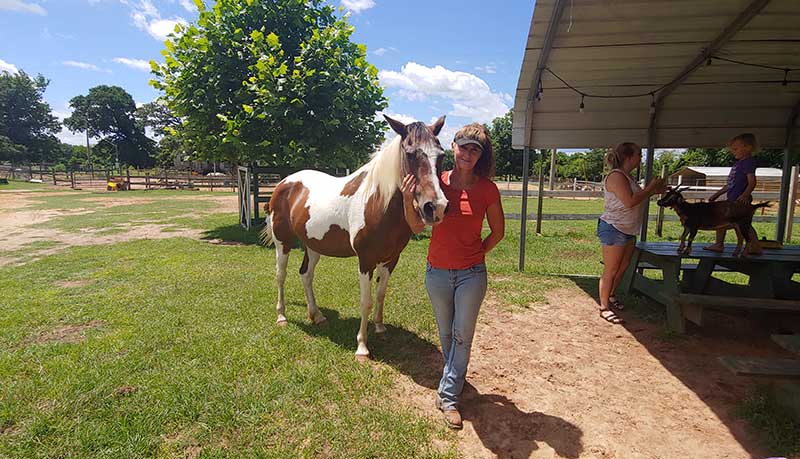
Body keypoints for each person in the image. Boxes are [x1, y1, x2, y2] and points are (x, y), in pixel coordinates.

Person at [401, 123, 504, 430]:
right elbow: (417, 227)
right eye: (464, 146)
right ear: (454, 148)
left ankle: (448, 397)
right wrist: (409, 201)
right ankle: (454, 379)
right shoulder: (438, 182)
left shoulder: (487, 189)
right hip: (437, 274)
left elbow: (498, 232)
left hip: (471, 275)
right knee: (446, 335)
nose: (468, 154)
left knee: (463, 336)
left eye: (476, 149)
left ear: (481, 156)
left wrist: (476, 255)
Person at [597, 143, 666, 324]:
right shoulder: (616, 176)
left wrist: (655, 190)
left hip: (628, 229)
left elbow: (636, 197)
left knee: (623, 267)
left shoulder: (628, 177)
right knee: (611, 269)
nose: (640, 158)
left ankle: (611, 296)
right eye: (638, 154)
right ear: (628, 156)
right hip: (614, 227)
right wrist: (650, 189)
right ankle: (604, 307)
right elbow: (629, 201)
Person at [704, 133, 761, 253]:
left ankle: (755, 246)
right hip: (732, 199)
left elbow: (752, 181)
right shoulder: (738, 164)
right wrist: (717, 194)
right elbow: (730, 184)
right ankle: (719, 244)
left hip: (740, 201)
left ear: (748, 148)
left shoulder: (748, 162)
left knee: (743, 224)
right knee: (720, 219)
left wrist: (745, 195)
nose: (733, 152)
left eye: (735, 149)